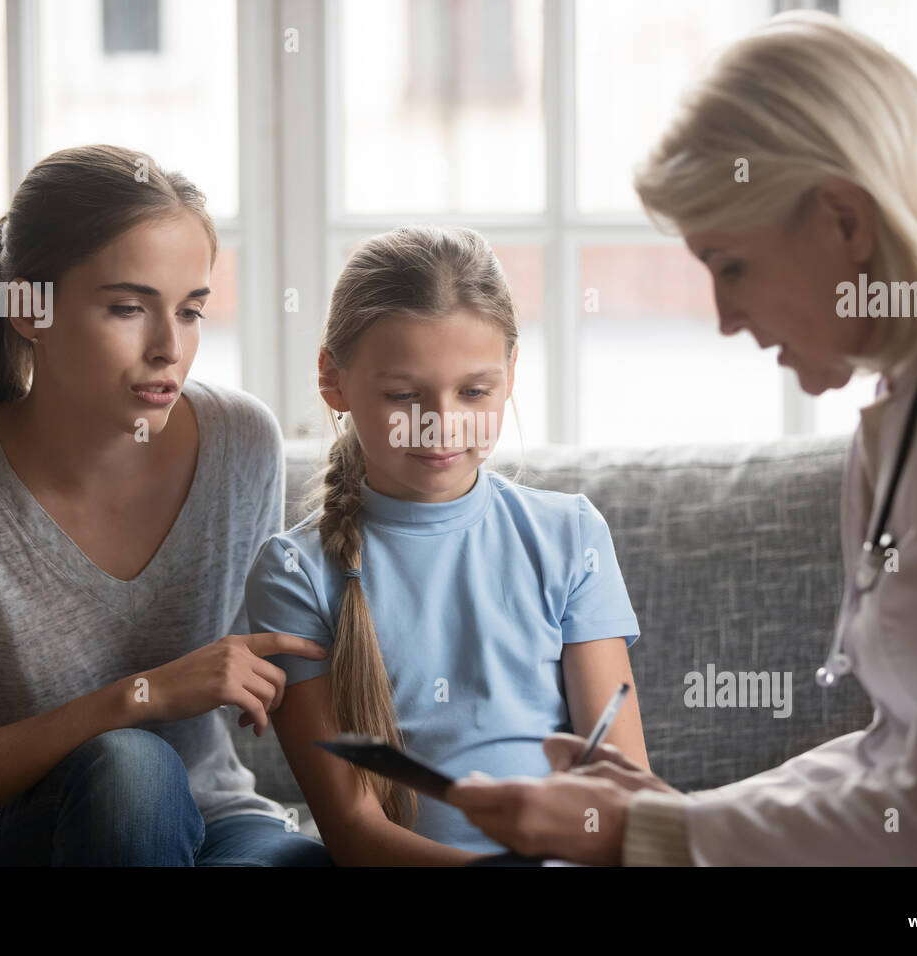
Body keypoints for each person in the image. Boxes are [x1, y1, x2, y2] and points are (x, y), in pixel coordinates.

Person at [447, 10, 917, 866]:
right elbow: (894, 754)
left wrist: (654, 835)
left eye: (732, 265)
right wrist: (686, 809)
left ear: (846, 222)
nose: (723, 318)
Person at [0, 144, 331, 867]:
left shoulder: (241, 442)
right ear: (28, 309)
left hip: (208, 818)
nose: (170, 348)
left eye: (190, 311)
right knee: (132, 773)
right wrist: (141, 696)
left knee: (303, 861)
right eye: (128, 308)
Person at [243, 225, 648, 864]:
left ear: (511, 374)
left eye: (474, 391)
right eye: (404, 395)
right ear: (333, 380)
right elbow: (354, 833)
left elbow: (625, 799)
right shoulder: (296, 572)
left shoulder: (570, 535)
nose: (440, 422)